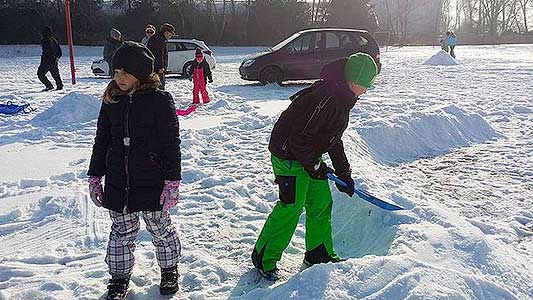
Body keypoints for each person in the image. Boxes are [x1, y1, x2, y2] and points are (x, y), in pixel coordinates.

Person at [251, 53, 378, 281]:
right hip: (288, 154)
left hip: (307, 155)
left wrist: (344, 173)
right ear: (354, 79)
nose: (367, 90)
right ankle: (263, 258)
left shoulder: (342, 97)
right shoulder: (326, 98)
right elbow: (299, 138)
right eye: (366, 84)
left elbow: (332, 138)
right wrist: (315, 166)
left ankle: (318, 254)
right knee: (291, 206)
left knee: (321, 202)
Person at [87, 41, 182, 300]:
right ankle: (119, 278)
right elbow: (101, 140)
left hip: (152, 179)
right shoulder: (111, 100)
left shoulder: (160, 100)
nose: (118, 78)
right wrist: (95, 176)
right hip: (119, 180)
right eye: (115, 72)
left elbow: (171, 143)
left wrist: (172, 181)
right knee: (121, 233)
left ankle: (169, 269)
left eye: (124, 73)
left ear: (140, 73)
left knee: (160, 228)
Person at [147, 23, 176, 90]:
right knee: (159, 87)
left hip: (154, 67)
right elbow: (159, 54)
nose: (170, 37)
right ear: (166, 33)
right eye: (170, 35)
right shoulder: (159, 40)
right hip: (157, 69)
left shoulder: (158, 38)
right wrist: (161, 67)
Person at [38, 26, 63, 91]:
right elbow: (59, 52)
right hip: (54, 60)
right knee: (55, 74)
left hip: (47, 60)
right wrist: (56, 57)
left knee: (40, 74)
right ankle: (59, 87)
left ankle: (49, 86)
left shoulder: (45, 40)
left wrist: (49, 57)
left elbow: (47, 51)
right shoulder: (54, 40)